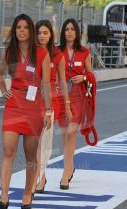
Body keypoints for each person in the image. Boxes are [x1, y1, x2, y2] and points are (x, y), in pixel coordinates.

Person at [0, 14, 52, 209]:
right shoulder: (9, 51)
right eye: (18, 27)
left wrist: (48, 110)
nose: (21, 31)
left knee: (30, 154)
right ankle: (3, 196)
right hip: (13, 104)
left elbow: (46, 84)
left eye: (25, 27)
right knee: (8, 149)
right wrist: (4, 91)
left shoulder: (42, 53)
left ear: (31, 31)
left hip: (34, 106)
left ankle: (28, 193)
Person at [34, 20, 72, 194]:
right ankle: (41, 177)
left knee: (44, 140)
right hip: (32, 100)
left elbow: (63, 82)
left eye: (45, 33)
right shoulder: (31, 53)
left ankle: (38, 177)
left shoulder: (58, 55)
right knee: (34, 142)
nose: (42, 36)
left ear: (51, 35)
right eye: (39, 33)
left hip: (51, 101)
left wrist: (67, 104)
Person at [58, 18, 96, 190]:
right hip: (61, 96)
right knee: (64, 133)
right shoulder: (56, 51)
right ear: (63, 32)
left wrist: (84, 77)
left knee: (71, 133)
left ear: (77, 32)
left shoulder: (84, 52)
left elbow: (91, 75)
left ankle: (66, 171)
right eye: (67, 29)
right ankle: (70, 166)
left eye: (73, 29)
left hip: (79, 96)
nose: (70, 32)